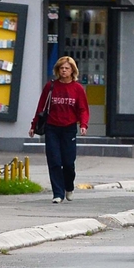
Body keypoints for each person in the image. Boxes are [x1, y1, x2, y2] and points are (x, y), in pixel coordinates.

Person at [32, 56, 88, 203]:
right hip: (52, 128)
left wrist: (83, 124)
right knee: (54, 161)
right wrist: (34, 125)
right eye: (61, 68)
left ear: (72, 71)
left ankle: (68, 187)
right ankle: (58, 193)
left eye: (67, 68)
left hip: (69, 128)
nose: (64, 71)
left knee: (68, 163)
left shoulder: (78, 89)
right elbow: (41, 107)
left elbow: (83, 109)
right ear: (58, 70)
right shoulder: (51, 86)